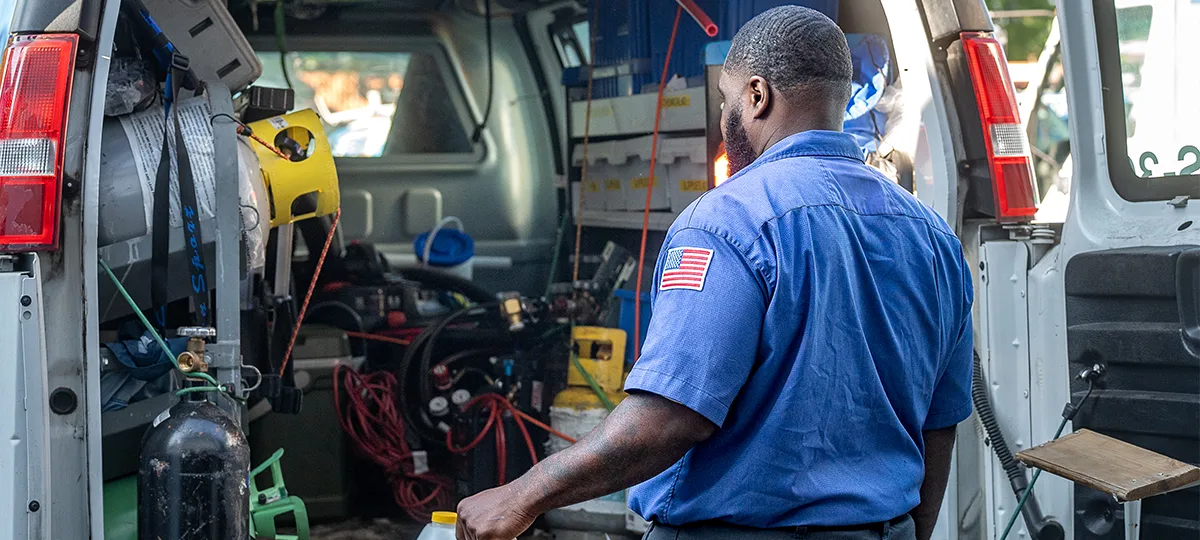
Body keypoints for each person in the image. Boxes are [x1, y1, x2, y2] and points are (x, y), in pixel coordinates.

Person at [455, 6, 973, 540]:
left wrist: (518, 497)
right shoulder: (933, 237)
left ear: (757, 95)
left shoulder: (729, 221)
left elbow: (670, 418)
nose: (725, 117)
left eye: (725, 100)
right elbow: (939, 425)